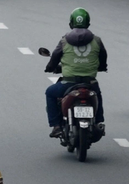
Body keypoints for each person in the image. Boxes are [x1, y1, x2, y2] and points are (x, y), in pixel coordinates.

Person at [44, 9, 107, 139]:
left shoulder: (64, 41)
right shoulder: (97, 41)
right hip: (90, 83)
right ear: (88, 23)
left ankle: (56, 126)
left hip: (68, 83)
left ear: (71, 23)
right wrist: (102, 67)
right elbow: (103, 57)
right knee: (98, 96)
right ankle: (99, 122)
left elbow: (55, 56)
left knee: (50, 93)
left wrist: (50, 67)